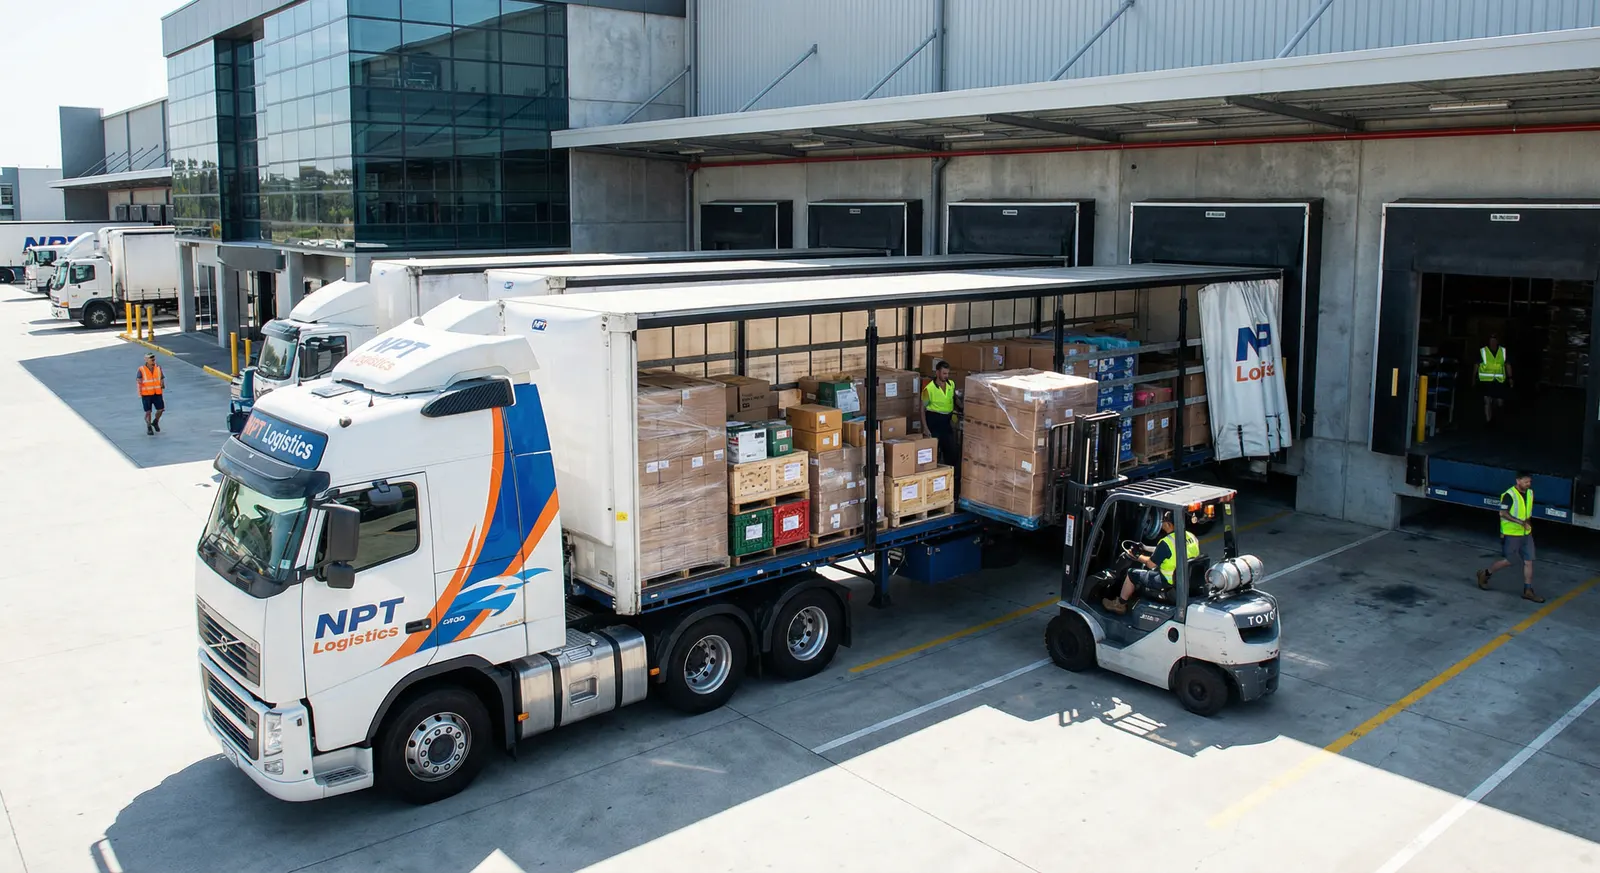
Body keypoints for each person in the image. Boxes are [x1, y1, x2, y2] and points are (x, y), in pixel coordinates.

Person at [1103, 512, 1199, 615]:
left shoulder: (1166, 542)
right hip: (1187, 580)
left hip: (1167, 582)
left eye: (1163, 522)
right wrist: (1144, 547)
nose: (1162, 524)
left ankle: (1120, 605)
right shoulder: (1190, 536)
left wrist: (1136, 556)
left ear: (1168, 524)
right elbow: (1169, 551)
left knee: (1132, 574)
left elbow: (1150, 564)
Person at [1476, 471, 1544, 603]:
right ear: (1518, 481)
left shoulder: (1530, 493)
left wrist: (1528, 524)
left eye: (1529, 482)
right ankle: (1485, 573)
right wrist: (1520, 522)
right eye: (1526, 482)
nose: (1528, 484)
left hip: (1526, 533)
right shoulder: (1509, 495)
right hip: (1512, 534)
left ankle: (1528, 591)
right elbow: (1502, 513)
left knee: (1529, 561)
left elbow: (1527, 512)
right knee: (1509, 561)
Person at [920, 359, 960, 466]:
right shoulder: (928, 389)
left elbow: (953, 399)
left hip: (947, 421)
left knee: (951, 451)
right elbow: (922, 409)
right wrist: (925, 428)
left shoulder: (951, 384)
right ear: (937, 372)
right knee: (933, 452)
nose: (946, 376)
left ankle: (951, 476)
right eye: (944, 373)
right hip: (934, 421)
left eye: (947, 373)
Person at [1477, 333, 1510, 426]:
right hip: (1486, 381)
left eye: (1494, 340)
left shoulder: (1502, 352)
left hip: (1499, 381)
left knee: (1499, 402)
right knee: (1487, 400)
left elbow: (1508, 364)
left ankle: (1495, 414)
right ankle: (1489, 421)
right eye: (1491, 340)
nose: (1493, 342)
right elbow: (1477, 365)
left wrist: (1510, 378)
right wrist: (1474, 378)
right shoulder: (1484, 351)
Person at [137, 352, 166, 435]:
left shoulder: (158, 368)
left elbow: (161, 377)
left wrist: (162, 383)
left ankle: (155, 421)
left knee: (161, 409)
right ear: (146, 360)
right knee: (148, 412)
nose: (153, 360)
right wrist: (140, 392)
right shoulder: (141, 369)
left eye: (154, 359)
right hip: (146, 394)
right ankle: (149, 427)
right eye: (151, 359)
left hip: (157, 393)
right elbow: (138, 380)